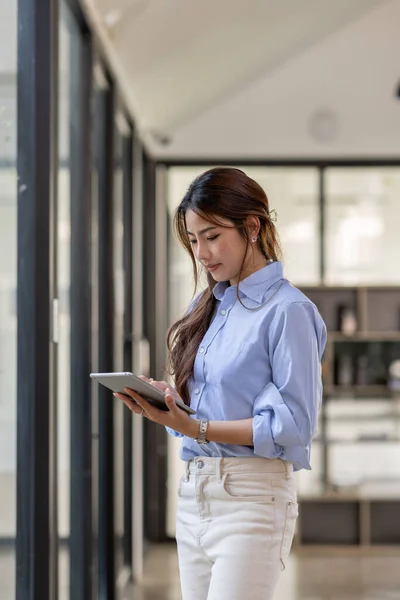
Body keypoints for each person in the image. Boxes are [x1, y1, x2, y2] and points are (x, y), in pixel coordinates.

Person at [116, 167, 327, 600]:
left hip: (253, 499)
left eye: (212, 236)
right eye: (193, 240)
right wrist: (171, 405)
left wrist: (199, 428)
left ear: (252, 227)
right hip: (195, 493)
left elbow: (293, 426)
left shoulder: (289, 312)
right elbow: (209, 410)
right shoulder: (208, 305)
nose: (202, 253)